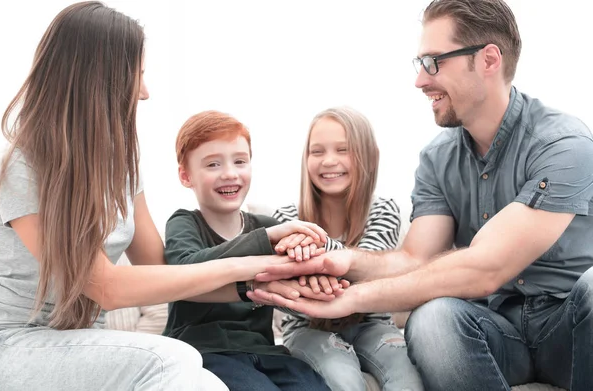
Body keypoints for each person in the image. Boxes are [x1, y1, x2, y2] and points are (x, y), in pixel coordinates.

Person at [251, 1, 593, 390]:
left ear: (488, 59)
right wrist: (341, 260)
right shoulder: (438, 157)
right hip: (499, 334)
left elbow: (485, 268)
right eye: (420, 64)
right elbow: (415, 258)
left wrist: (355, 298)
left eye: (434, 62)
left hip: (571, 330)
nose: (420, 81)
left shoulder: (564, 144)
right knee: (432, 320)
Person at [0, 3, 313, 390]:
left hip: (84, 340)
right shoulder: (20, 167)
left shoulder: (120, 168)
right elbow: (105, 288)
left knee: (209, 384)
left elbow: (166, 271)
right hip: (15, 343)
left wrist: (264, 283)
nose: (145, 92)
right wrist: (250, 262)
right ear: (100, 78)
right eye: (138, 75)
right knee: (174, 358)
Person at [162, 110, 334, 391]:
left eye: (239, 161)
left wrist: (309, 259)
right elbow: (185, 269)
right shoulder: (184, 223)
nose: (229, 173)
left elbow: (300, 272)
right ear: (185, 175)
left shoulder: (268, 226)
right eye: (213, 164)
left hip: (267, 351)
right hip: (205, 352)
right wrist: (263, 239)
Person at [272, 107, 423, 391]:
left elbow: (361, 272)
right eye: (317, 152)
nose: (329, 161)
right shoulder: (285, 220)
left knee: (408, 378)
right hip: (307, 330)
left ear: (368, 155)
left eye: (343, 150)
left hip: (372, 323)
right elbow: (293, 285)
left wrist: (315, 250)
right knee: (343, 379)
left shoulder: (383, 211)